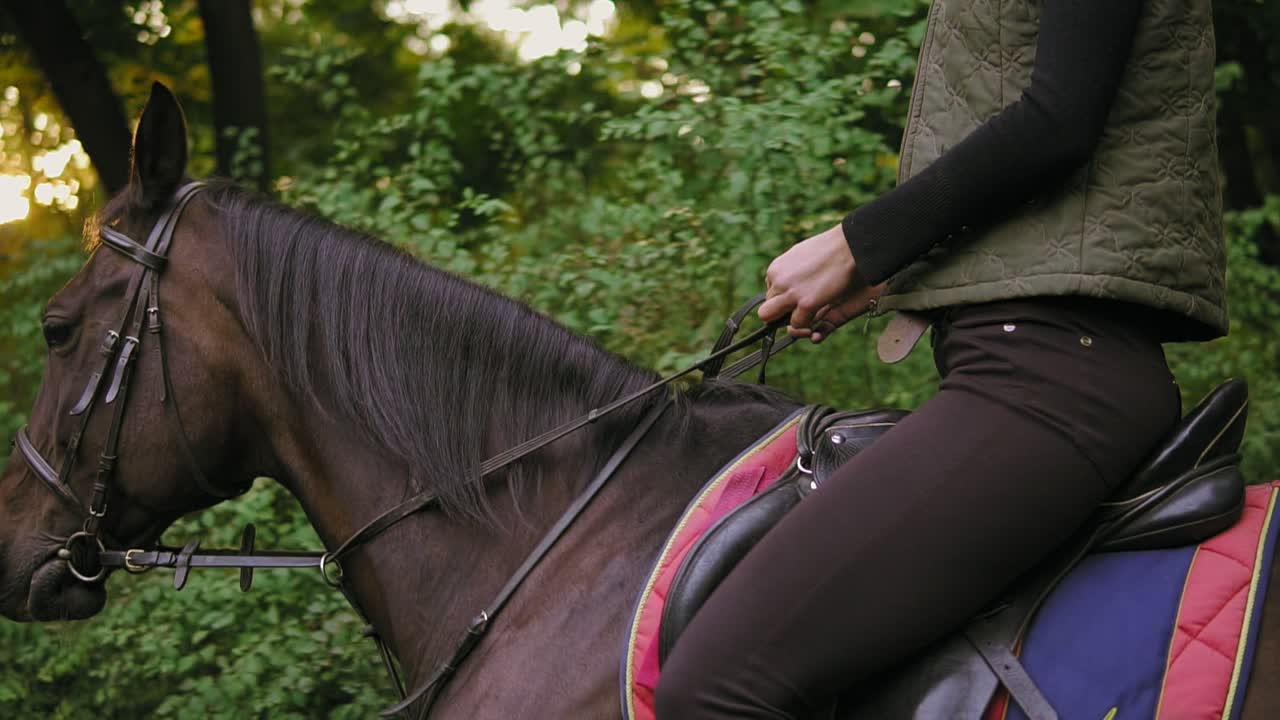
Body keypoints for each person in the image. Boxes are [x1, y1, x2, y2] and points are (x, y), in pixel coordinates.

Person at [655, 0, 1226, 717]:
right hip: (1039, 362)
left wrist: (853, 245)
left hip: (1051, 378)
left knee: (713, 690)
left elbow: (1059, 120)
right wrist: (887, 274)